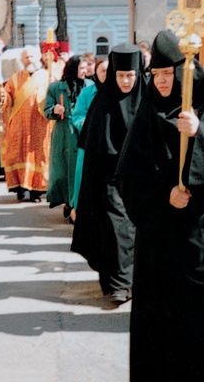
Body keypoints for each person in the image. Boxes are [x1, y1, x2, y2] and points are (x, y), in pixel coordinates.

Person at [118, 30, 204, 381]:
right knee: (162, 338)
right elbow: (128, 179)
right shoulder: (147, 113)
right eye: (156, 74)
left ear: (184, 72)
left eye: (168, 73)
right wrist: (165, 197)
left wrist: (200, 133)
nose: (162, 81)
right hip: (160, 246)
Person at [72, 44, 143, 305]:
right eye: (120, 75)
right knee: (117, 228)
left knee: (138, 231)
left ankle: (135, 280)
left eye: (130, 75)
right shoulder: (102, 102)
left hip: (142, 180)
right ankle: (119, 284)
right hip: (109, 179)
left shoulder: (148, 100)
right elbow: (92, 150)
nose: (125, 81)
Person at [0, 46, 50, 201]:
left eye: (32, 57)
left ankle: (36, 190)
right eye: (26, 57)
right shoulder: (15, 78)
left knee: (38, 156)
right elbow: (8, 97)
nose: (29, 60)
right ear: (22, 60)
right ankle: (21, 188)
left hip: (39, 123)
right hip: (19, 123)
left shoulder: (47, 76)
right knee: (17, 155)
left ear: (38, 58)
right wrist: (3, 95)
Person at [44, 55, 91, 214]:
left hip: (83, 131)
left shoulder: (90, 86)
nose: (85, 71)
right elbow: (46, 110)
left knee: (80, 170)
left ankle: (76, 203)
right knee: (63, 170)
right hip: (64, 133)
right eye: (81, 68)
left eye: (86, 67)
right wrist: (54, 110)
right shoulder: (56, 87)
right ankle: (67, 201)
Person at [69, 57, 108, 215]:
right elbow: (77, 116)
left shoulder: (116, 92)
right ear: (96, 72)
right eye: (102, 70)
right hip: (90, 142)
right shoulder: (87, 92)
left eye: (108, 70)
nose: (106, 74)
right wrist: (88, 123)